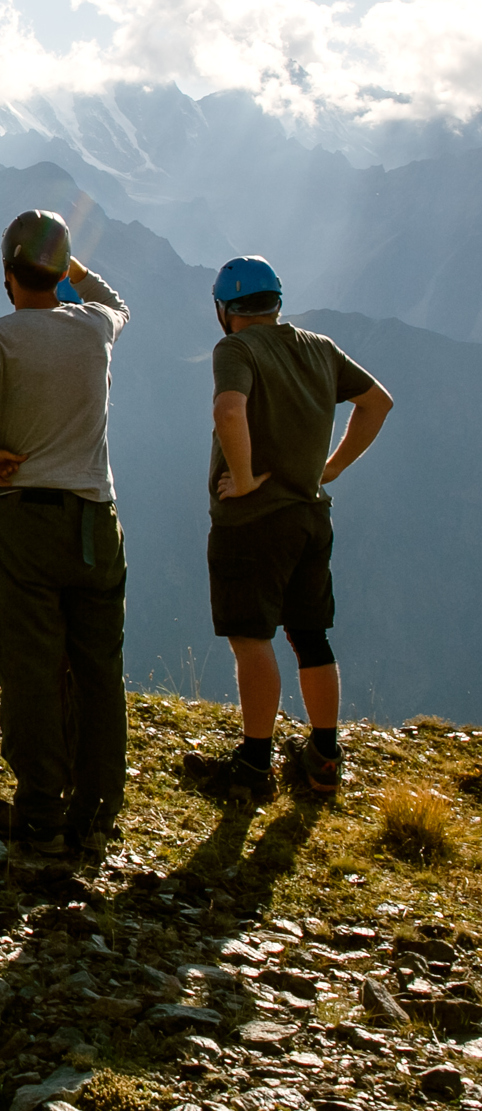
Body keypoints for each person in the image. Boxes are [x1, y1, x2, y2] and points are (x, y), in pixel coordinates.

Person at [0, 210, 130, 857]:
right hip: (97, 521)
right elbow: (116, 302)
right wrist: (72, 265)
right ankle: (97, 811)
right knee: (98, 670)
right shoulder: (95, 326)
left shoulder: (0, 336)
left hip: (26, 521)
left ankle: (41, 813)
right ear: (59, 272)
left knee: (30, 666)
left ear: (9, 273)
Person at [182, 257, 393, 800]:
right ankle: (324, 757)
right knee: (309, 634)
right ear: (276, 301)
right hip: (310, 516)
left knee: (252, 639)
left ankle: (254, 767)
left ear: (224, 310)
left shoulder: (237, 349)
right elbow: (377, 403)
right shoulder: (320, 347)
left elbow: (229, 411)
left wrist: (245, 480)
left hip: (252, 522)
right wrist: (332, 468)